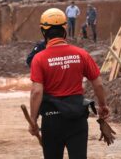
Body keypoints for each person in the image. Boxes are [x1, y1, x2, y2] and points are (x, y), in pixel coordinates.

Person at [29, 8, 109, 159]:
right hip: (77, 119)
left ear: (43, 31)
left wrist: (33, 120)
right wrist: (103, 105)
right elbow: (98, 84)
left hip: (51, 121)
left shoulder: (39, 59)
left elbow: (36, 92)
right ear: (65, 29)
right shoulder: (81, 54)